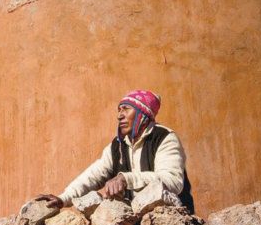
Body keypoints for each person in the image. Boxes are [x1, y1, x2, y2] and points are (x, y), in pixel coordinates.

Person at [35, 89, 187, 209]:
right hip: (129, 224)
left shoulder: (164, 137)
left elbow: (173, 181)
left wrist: (126, 179)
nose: (119, 116)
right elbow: (94, 175)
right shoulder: (117, 145)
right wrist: (63, 199)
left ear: (143, 113)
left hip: (160, 222)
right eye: (119, 110)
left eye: (126, 109)